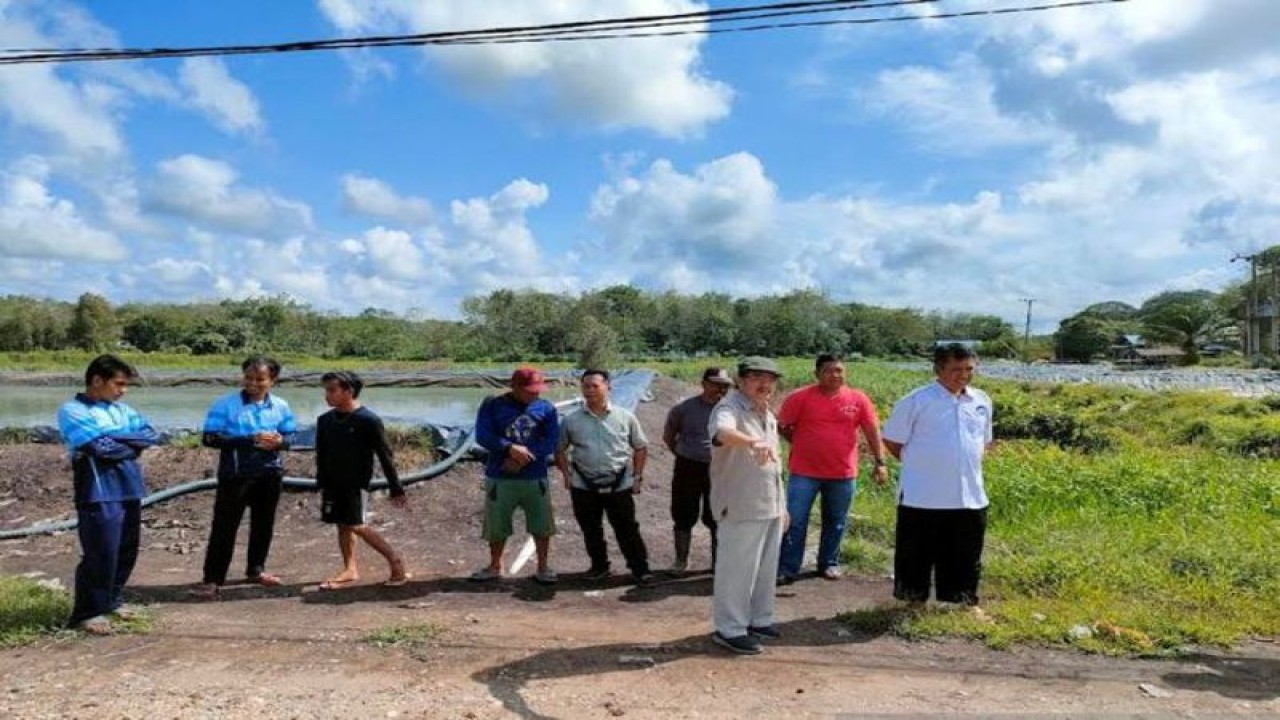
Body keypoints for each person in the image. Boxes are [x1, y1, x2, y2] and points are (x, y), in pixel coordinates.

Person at [882, 343, 993, 609]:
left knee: (965, 552)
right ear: (939, 369)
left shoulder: (981, 401)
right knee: (916, 552)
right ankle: (912, 601)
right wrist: (925, 464)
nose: (963, 375)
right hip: (923, 493)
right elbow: (893, 441)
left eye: (969, 369)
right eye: (956, 369)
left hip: (969, 495)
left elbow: (984, 441)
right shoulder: (916, 401)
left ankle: (962, 602)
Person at [57, 354, 161, 635]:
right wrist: (130, 443)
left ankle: (112, 601)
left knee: (126, 547)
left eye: (126, 384)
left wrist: (116, 439)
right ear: (97, 380)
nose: (123, 390)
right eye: (118, 384)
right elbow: (99, 449)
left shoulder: (121, 410)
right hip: (98, 488)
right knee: (101, 551)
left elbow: (150, 434)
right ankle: (87, 613)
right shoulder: (73, 410)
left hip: (128, 486)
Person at [776, 353, 888, 584]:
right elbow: (783, 426)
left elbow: (871, 430)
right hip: (804, 472)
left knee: (836, 520)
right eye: (828, 370)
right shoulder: (800, 398)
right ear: (817, 374)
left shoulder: (858, 399)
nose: (835, 375)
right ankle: (787, 568)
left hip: (842, 473)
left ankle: (828, 563)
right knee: (794, 520)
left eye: (839, 370)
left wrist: (880, 462)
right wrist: (799, 442)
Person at [192, 356, 298, 599]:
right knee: (224, 528)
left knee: (264, 524)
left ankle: (256, 570)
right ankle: (212, 579)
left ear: (272, 380)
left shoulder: (281, 405)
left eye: (260, 379)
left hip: (270, 473)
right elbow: (210, 438)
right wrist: (250, 440)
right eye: (249, 378)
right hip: (236, 475)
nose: (253, 383)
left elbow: (291, 437)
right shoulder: (225, 404)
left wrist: (281, 442)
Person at [708, 357, 786, 655]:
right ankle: (730, 628)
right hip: (740, 503)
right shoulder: (728, 408)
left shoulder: (766, 412)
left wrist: (783, 507)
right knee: (737, 570)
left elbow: (775, 466)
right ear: (741, 380)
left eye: (770, 379)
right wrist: (752, 443)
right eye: (756, 378)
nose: (764, 385)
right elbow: (722, 433)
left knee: (765, 569)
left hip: (770, 505)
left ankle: (759, 619)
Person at [314, 371, 410, 590]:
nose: (327, 395)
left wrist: (396, 488)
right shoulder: (325, 420)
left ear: (348, 391)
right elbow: (322, 452)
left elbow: (385, 456)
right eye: (326, 390)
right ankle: (350, 568)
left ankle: (395, 561)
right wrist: (320, 480)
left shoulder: (368, 420)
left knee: (356, 524)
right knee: (342, 525)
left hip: (355, 482)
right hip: (332, 482)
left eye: (332, 390)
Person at [555, 369, 653, 585]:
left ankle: (640, 568)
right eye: (586, 386)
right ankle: (599, 567)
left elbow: (640, 447)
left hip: (618, 484)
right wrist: (566, 475)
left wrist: (637, 477)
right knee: (591, 529)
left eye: (594, 386)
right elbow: (559, 449)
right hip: (583, 485)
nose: (590, 391)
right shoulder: (571, 420)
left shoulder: (625, 417)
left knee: (627, 528)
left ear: (608, 387)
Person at [471, 367, 561, 584]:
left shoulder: (547, 409)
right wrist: (509, 448)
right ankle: (495, 565)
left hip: (534, 477)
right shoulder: (493, 405)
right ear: (514, 387)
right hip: (500, 477)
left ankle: (543, 566)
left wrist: (524, 458)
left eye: (538, 390)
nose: (535, 394)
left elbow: (550, 441)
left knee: (542, 524)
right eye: (530, 390)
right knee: (496, 524)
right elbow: (483, 435)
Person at [661, 366, 733, 574]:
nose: (719, 389)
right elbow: (669, 435)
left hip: (720, 470)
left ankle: (718, 563)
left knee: (717, 516)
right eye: (714, 384)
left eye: (723, 386)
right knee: (683, 514)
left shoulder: (730, 410)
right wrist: (684, 453)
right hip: (688, 467)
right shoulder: (683, 408)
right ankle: (680, 562)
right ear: (703, 384)